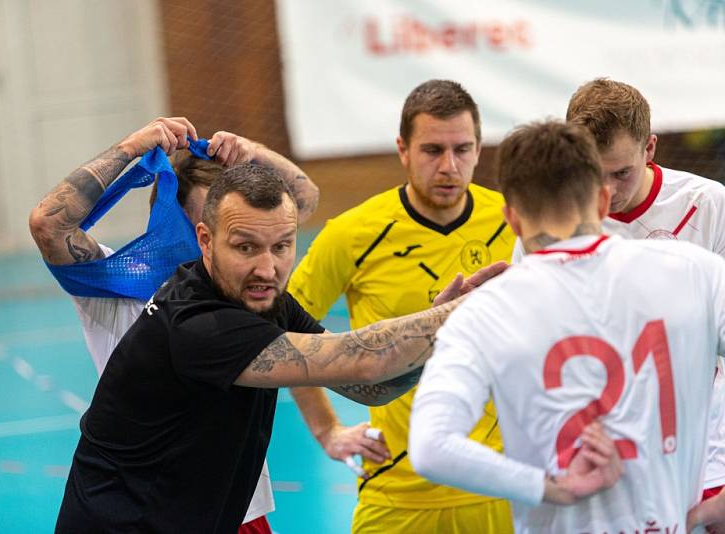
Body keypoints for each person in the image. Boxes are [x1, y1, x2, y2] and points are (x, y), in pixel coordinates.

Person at [53, 163, 507, 532]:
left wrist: (437, 339)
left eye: (282, 246)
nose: (267, 268)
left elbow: (371, 389)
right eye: (246, 247)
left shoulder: (267, 300)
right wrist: (460, 314)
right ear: (205, 242)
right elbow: (366, 359)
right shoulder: (198, 325)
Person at [409, 119, 725, 533]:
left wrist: (553, 487)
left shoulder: (485, 311)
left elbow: (432, 448)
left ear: (513, 219)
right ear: (600, 202)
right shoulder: (695, 272)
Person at [28, 116, 338, 533]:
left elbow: (303, 196)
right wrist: (132, 146)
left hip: (236, 509)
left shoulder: (246, 286)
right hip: (146, 515)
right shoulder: (116, 285)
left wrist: (250, 152)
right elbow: (50, 223)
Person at [287, 79, 515, 532]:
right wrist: (328, 431)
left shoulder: (516, 220)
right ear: (402, 150)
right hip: (398, 490)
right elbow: (285, 328)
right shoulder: (352, 233)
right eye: (432, 150)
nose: (450, 166)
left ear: (478, 148)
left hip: (502, 485)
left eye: (462, 149)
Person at [512, 78, 725, 500]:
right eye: (595, 175)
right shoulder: (547, 223)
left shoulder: (710, 204)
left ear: (650, 148)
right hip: (598, 447)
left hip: (704, 443)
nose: (607, 192)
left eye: (622, 173)